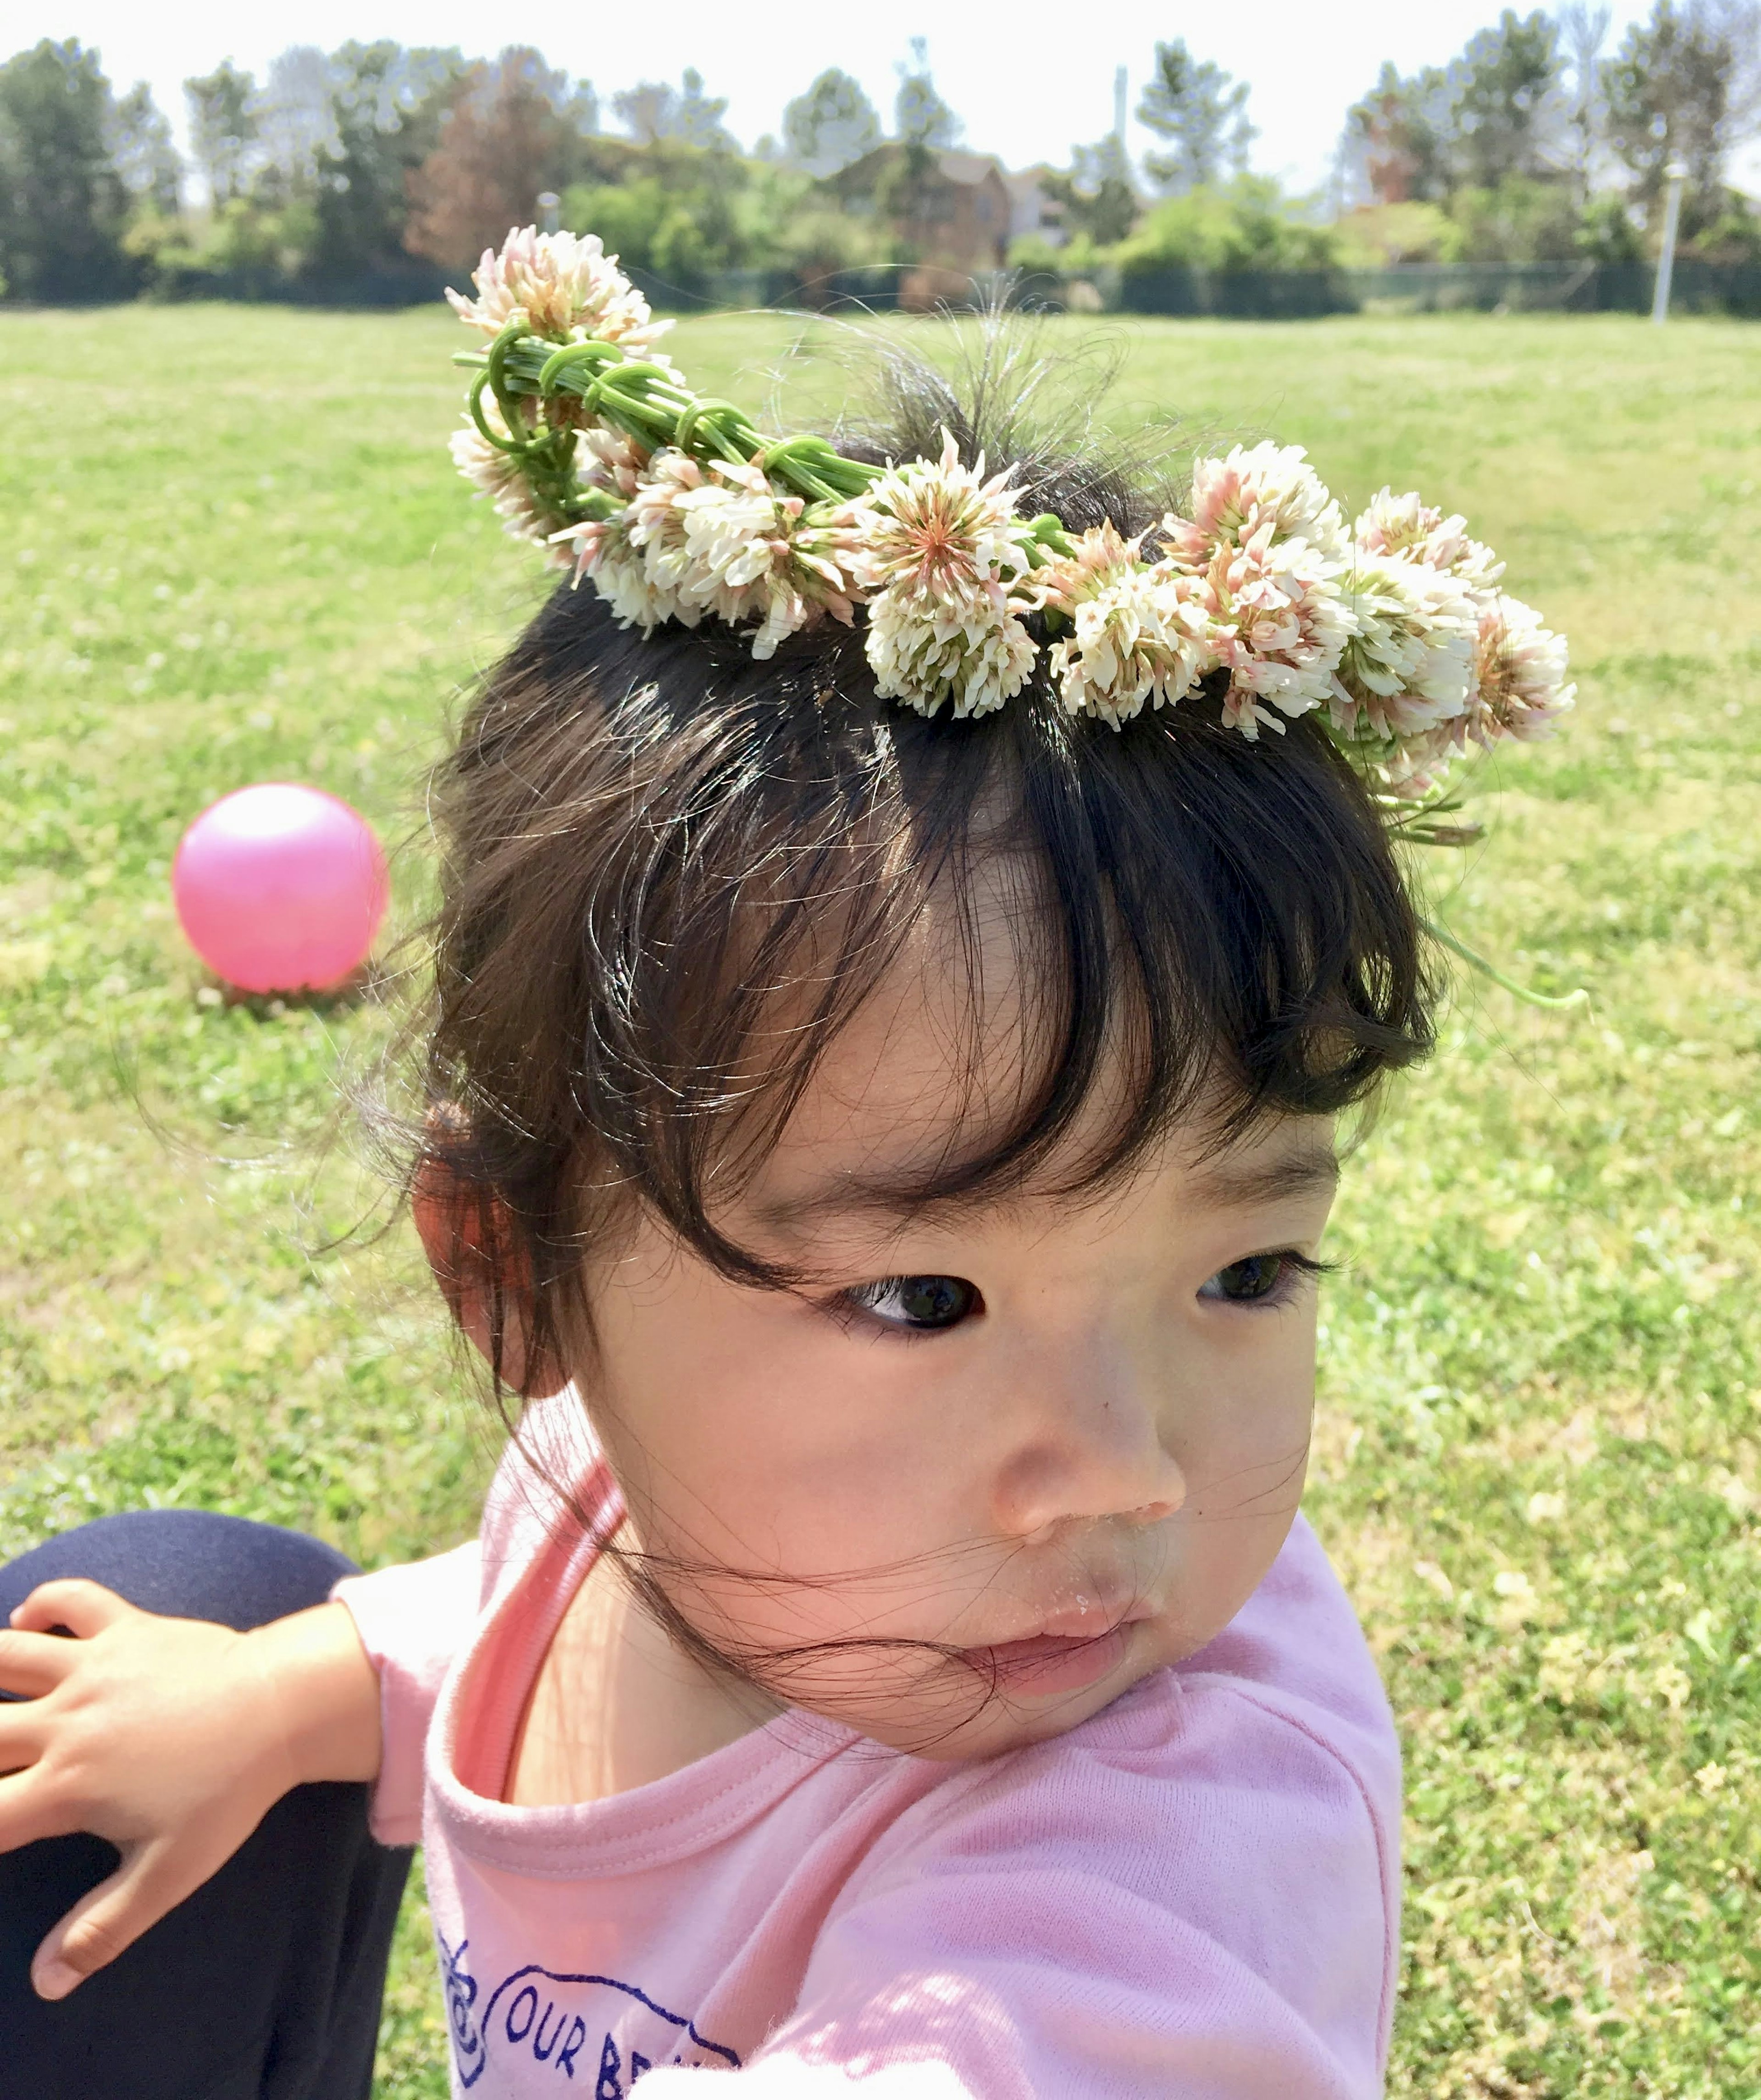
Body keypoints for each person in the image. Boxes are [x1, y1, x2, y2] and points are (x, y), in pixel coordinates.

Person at [0, 234, 1573, 2098]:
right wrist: (281, 1689)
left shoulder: (1183, 1844)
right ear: (512, 1272)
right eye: (925, 1295)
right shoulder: (620, 1489)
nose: (1126, 1469)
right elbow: (519, 1602)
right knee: (188, 1588)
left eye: (1247, 1272)